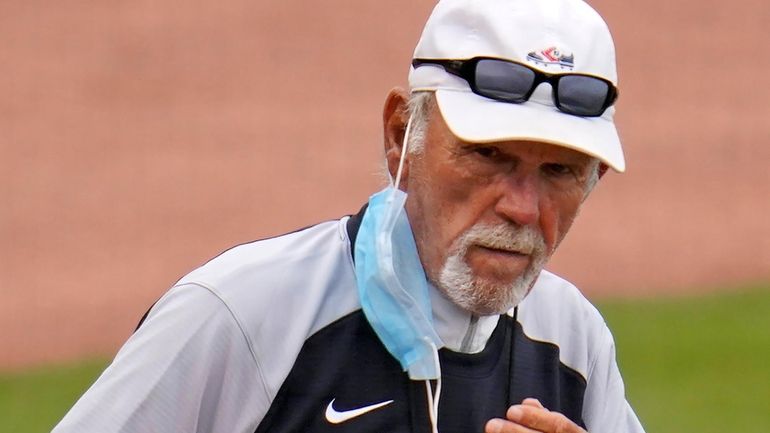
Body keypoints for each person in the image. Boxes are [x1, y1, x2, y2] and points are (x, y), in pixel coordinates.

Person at [53, 0, 646, 432]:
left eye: (560, 172)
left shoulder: (575, 341)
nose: (521, 207)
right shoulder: (246, 317)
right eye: (487, 155)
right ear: (401, 136)